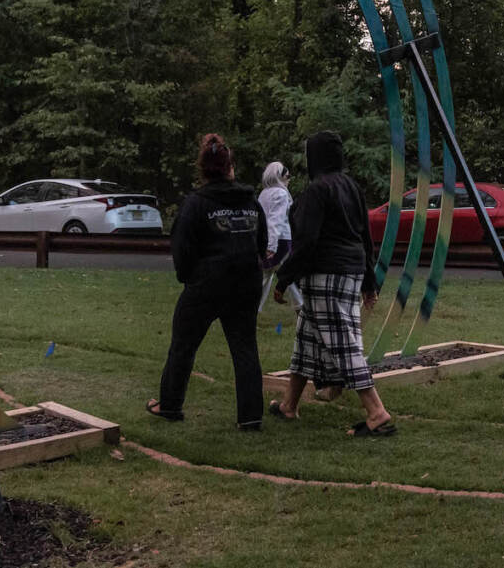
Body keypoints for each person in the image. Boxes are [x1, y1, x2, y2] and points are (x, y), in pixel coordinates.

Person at [269, 131, 395, 436]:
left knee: (343, 343)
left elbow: (307, 241)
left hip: (326, 272)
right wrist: (369, 282)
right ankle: (289, 405)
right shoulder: (351, 187)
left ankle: (377, 413)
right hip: (350, 270)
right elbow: (364, 239)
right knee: (307, 341)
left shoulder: (316, 190)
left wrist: (284, 278)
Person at [147, 134, 266, 430]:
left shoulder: (195, 204)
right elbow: (262, 243)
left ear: (202, 170)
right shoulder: (251, 202)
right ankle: (251, 416)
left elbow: (182, 248)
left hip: (206, 285)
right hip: (246, 283)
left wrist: (189, 278)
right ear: (230, 167)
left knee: (183, 345)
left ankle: (170, 405)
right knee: (245, 348)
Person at [257, 161, 301, 310]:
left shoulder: (263, 193)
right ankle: (300, 305)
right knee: (286, 272)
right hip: (281, 241)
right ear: (279, 177)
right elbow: (276, 220)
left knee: (267, 275)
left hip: (268, 240)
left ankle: (254, 308)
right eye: (287, 176)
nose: (289, 179)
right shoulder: (281, 194)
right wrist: (272, 246)